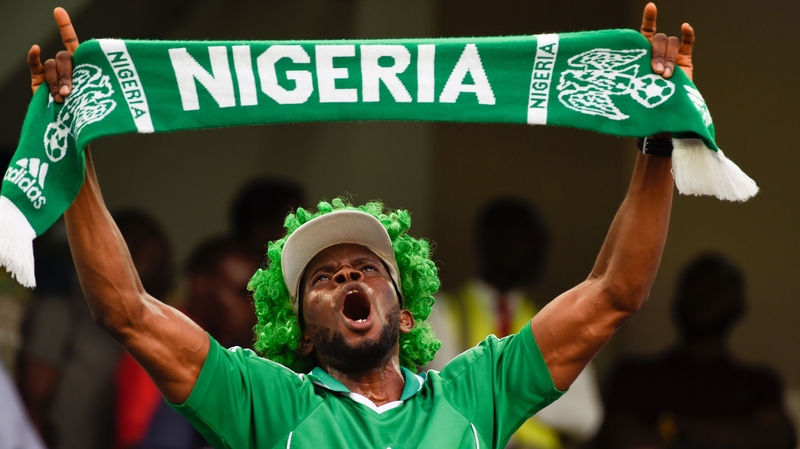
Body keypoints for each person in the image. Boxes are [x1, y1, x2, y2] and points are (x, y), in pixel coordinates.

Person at [29, 3, 690, 448]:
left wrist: (657, 140)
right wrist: (76, 143)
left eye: (368, 267)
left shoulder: (476, 389)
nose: (347, 272)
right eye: (323, 275)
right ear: (302, 329)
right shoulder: (268, 402)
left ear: (405, 314)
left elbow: (614, 293)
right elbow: (127, 310)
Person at [429, 197, 603, 448]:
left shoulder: (558, 321)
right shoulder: (443, 314)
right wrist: (539, 394)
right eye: (528, 239)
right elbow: (449, 400)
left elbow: (587, 418)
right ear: (490, 241)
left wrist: (494, 391)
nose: (541, 251)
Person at [596, 253, 796, 449]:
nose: (703, 298)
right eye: (694, 287)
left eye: (714, 290)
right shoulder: (634, 375)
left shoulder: (758, 384)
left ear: (739, 306)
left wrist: (676, 424)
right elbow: (626, 439)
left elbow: (773, 437)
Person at [17, 209, 172, 449]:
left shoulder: (130, 332)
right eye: (153, 263)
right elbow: (33, 402)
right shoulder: (61, 313)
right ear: (119, 252)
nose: (158, 276)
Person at [114, 236, 256, 449]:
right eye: (240, 293)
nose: (252, 307)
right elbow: (134, 440)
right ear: (201, 285)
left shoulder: (225, 347)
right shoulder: (158, 339)